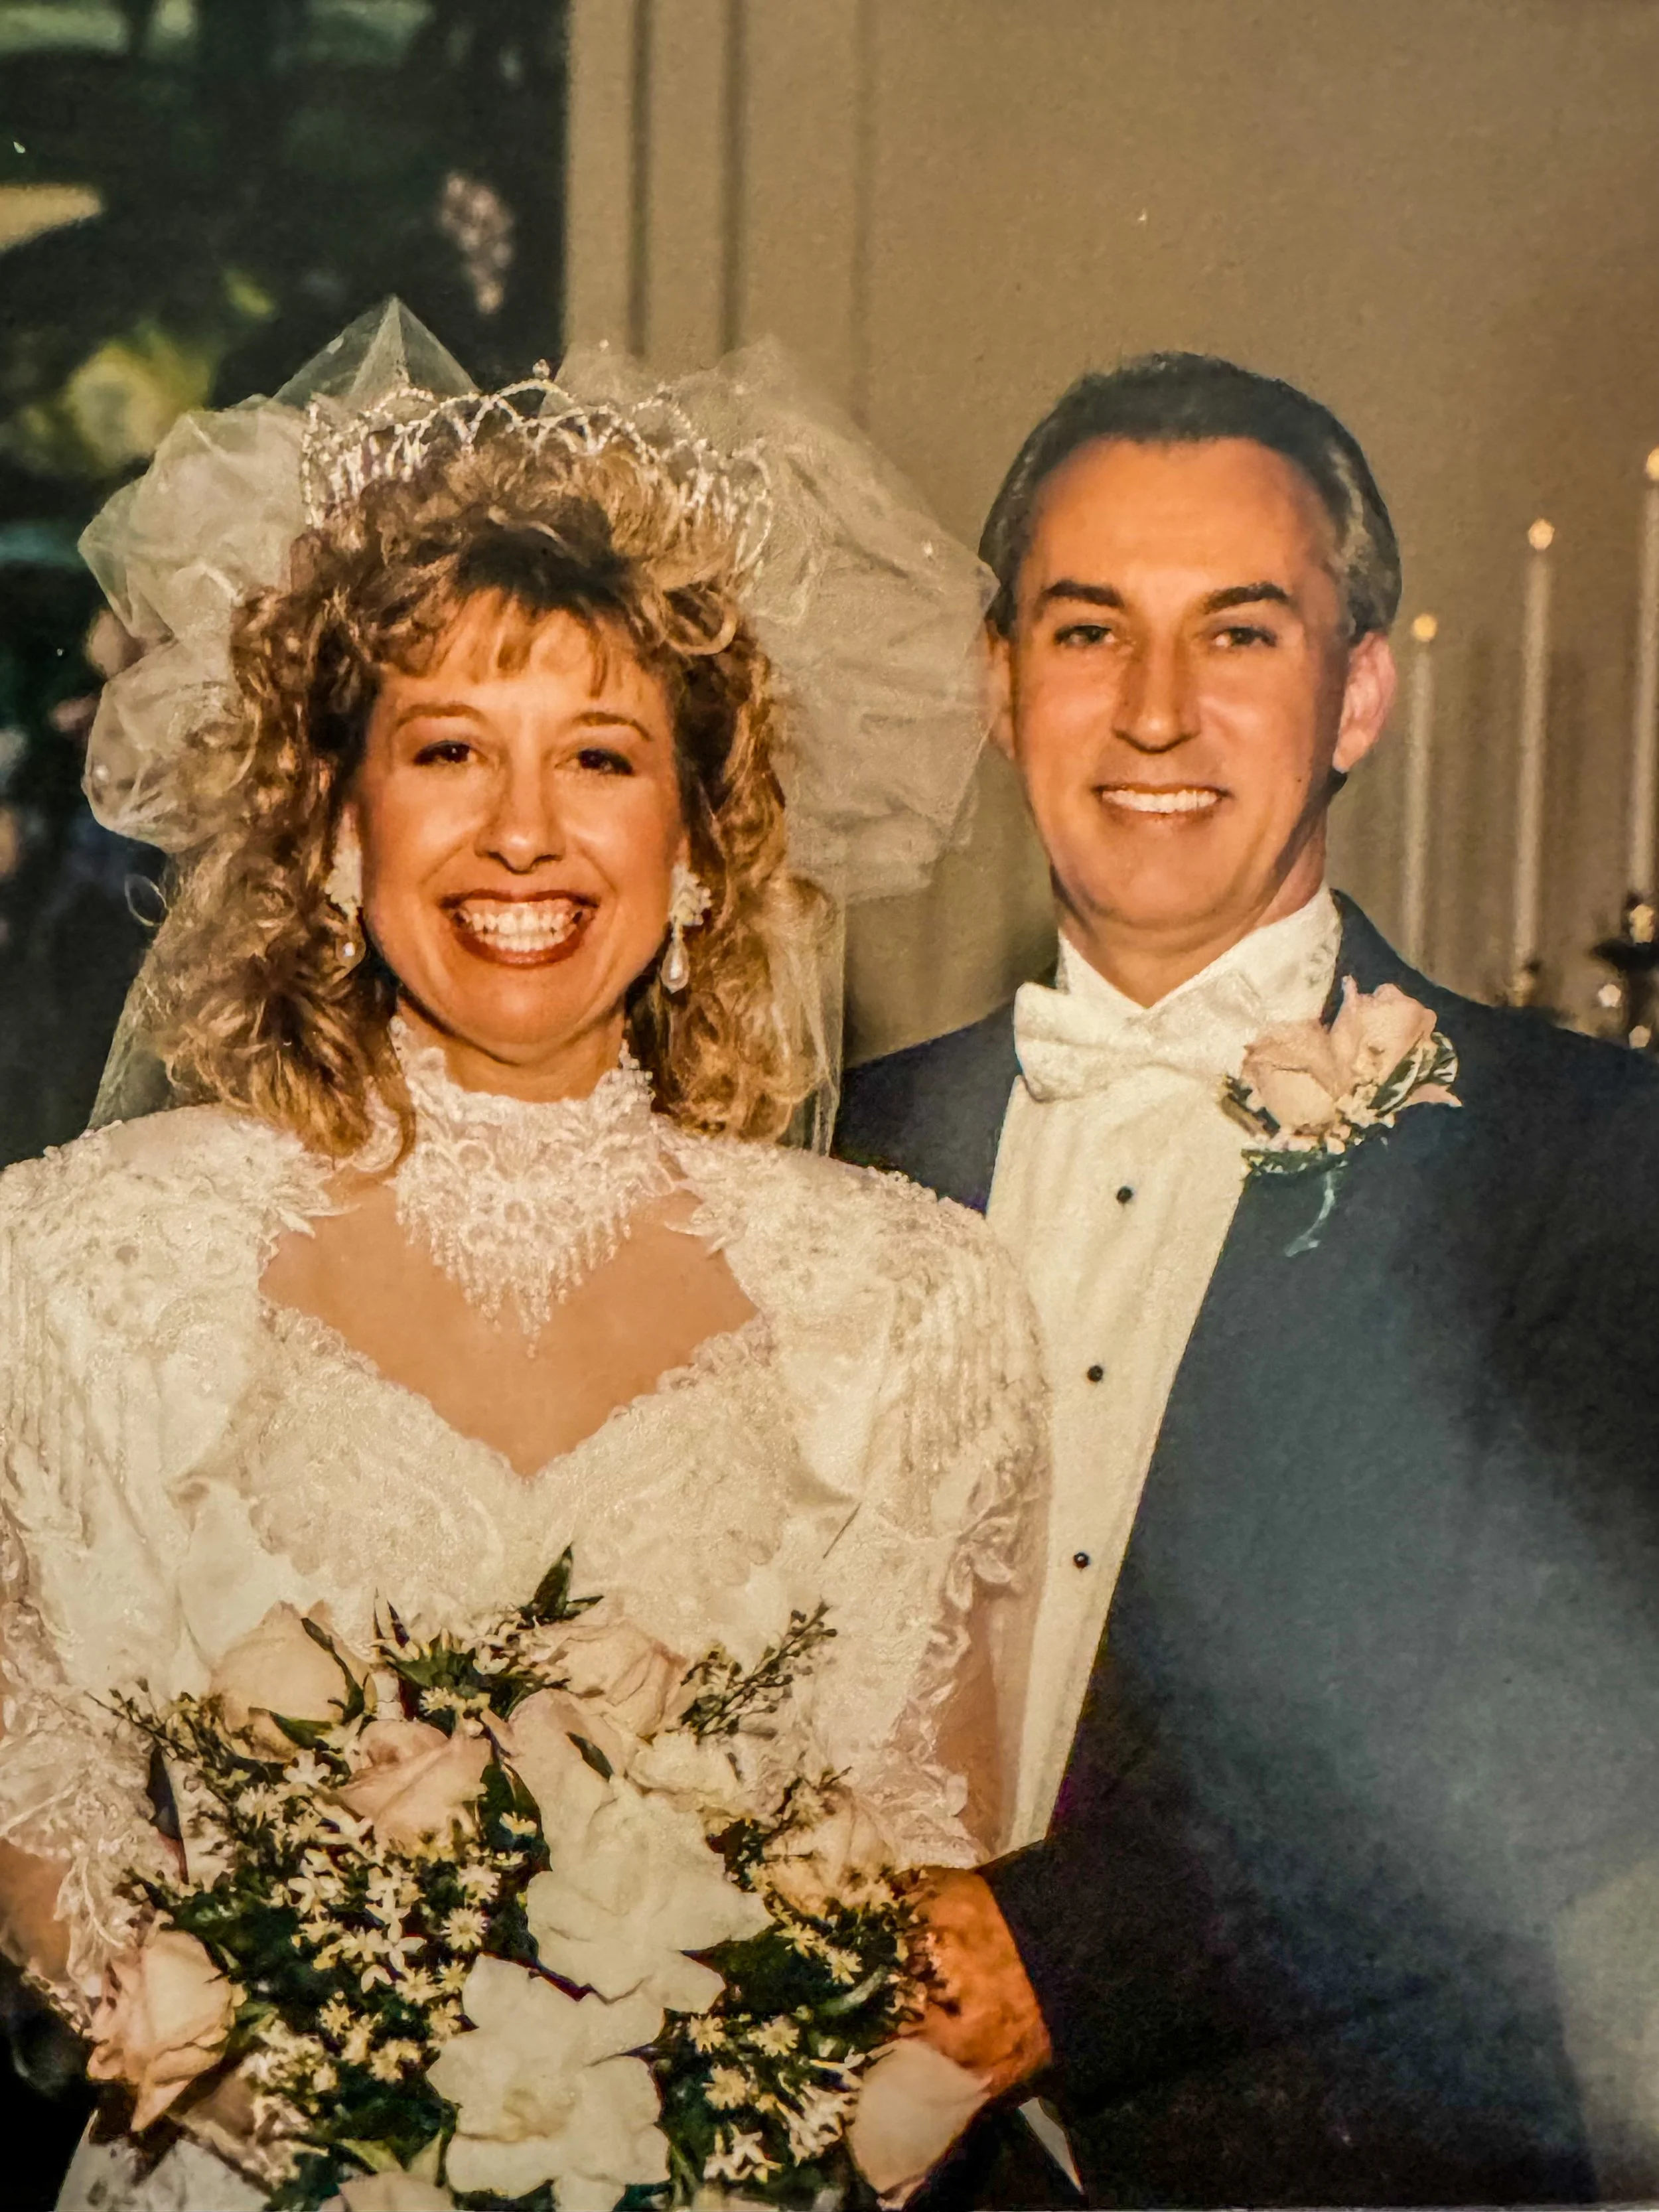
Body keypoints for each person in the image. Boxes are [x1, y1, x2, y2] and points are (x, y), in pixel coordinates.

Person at [0, 308, 1048, 2211]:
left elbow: (917, 1907)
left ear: (701, 840)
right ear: (336, 820)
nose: (522, 833)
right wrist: (356, 2133)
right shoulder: (82, 1262)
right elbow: (38, 1785)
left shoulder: (911, 1305)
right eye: (447, 749)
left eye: (601, 755)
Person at [838, 352, 1659, 2207]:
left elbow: (1560, 1729)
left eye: (1236, 633)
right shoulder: (839, 1150)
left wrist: (1060, 1959)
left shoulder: (1584, 1158)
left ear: (1356, 690)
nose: (1153, 712)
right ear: (996, 685)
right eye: (1086, 632)